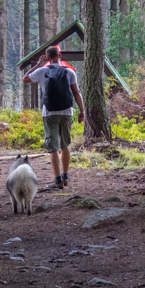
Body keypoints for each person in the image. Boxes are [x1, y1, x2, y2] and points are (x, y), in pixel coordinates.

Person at [22, 45, 85, 189]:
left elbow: (25, 79)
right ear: (60, 56)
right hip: (67, 112)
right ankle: (65, 175)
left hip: (50, 113)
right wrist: (82, 111)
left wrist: (38, 64)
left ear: (47, 58)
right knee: (65, 145)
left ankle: (57, 180)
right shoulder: (69, 72)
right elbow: (76, 92)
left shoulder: (42, 71)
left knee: (53, 148)